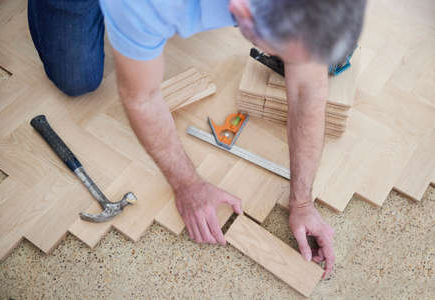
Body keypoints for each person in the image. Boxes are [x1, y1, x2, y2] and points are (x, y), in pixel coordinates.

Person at [27, 0, 367, 278]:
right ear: (244, 15)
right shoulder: (147, 5)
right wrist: (187, 184)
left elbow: (308, 88)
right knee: (77, 79)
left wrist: (303, 202)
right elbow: (141, 97)